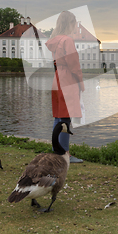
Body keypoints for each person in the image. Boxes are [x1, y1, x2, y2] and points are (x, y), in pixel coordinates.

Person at [46, 11, 85, 163]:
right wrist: (80, 82)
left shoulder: (55, 41)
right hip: (68, 78)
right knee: (66, 118)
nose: (74, 27)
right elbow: (74, 64)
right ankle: (64, 155)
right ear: (69, 23)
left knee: (58, 116)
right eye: (74, 24)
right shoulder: (67, 40)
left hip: (57, 78)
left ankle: (57, 151)